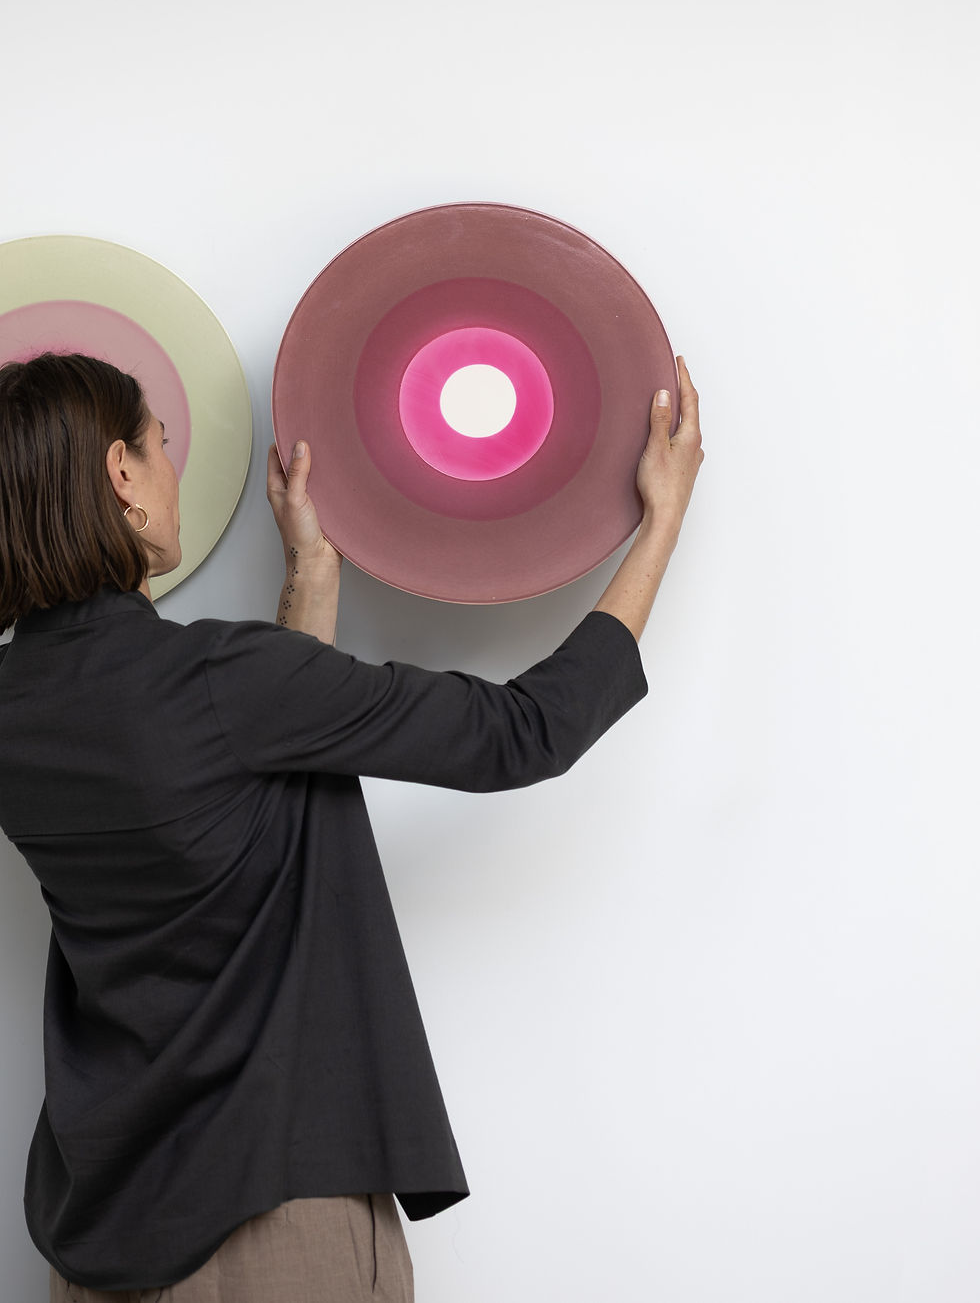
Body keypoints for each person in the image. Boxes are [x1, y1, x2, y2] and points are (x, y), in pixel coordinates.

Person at [0, 351, 703, 1303]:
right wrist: (660, 525)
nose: (173, 470)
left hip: (99, 1241)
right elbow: (524, 732)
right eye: (160, 445)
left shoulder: (22, 711)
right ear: (121, 474)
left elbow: (230, 783)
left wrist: (311, 569)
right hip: (274, 1224)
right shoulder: (222, 682)